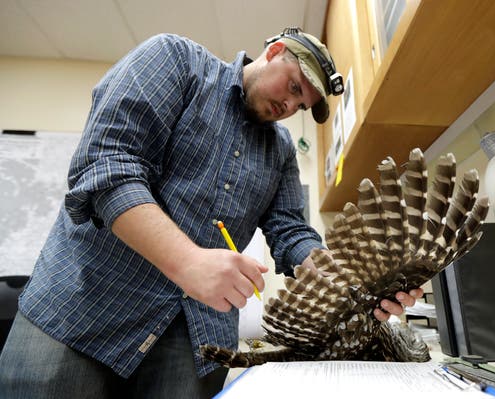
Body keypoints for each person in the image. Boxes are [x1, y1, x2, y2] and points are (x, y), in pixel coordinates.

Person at [0, 28, 423, 398]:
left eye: (301, 105)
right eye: (294, 88)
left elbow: (291, 231)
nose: (290, 107)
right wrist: (186, 262)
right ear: (274, 51)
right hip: (84, 307)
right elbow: (107, 167)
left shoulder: (279, 152)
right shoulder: (175, 62)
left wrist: (346, 279)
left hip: (192, 340)